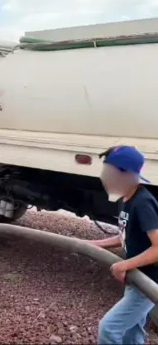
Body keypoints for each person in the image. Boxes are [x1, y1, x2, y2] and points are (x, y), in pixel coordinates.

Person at [86, 146, 158, 345]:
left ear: (126, 174)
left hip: (148, 282)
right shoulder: (126, 199)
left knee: (109, 328)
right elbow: (125, 235)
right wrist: (95, 244)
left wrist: (123, 265)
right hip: (135, 279)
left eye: (110, 173)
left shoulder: (143, 203)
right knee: (131, 332)